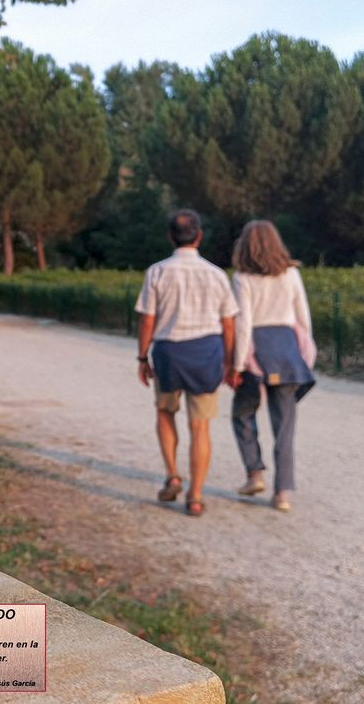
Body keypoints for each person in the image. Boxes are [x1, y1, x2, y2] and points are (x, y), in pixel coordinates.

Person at [136, 210, 238, 517]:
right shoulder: (217, 274)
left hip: (168, 353)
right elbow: (229, 324)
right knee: (201, 426)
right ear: (199, 236)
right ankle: (195, 496)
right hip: (206, 353)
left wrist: (142, 357)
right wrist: (230, 362)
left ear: (170, 236)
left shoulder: (157, 272)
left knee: (165, 412)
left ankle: (173, 474)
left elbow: (147, 320)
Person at [226, 220, 316, 513]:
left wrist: (237, 365)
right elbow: (303, 318)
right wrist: (305, 354)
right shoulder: (291, 273)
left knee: (242, 413)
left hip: (256, 353)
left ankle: (255, 473)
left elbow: (244, 324)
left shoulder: (242, 278)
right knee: (285, 426)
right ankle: (282, 494)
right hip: (288, 350)